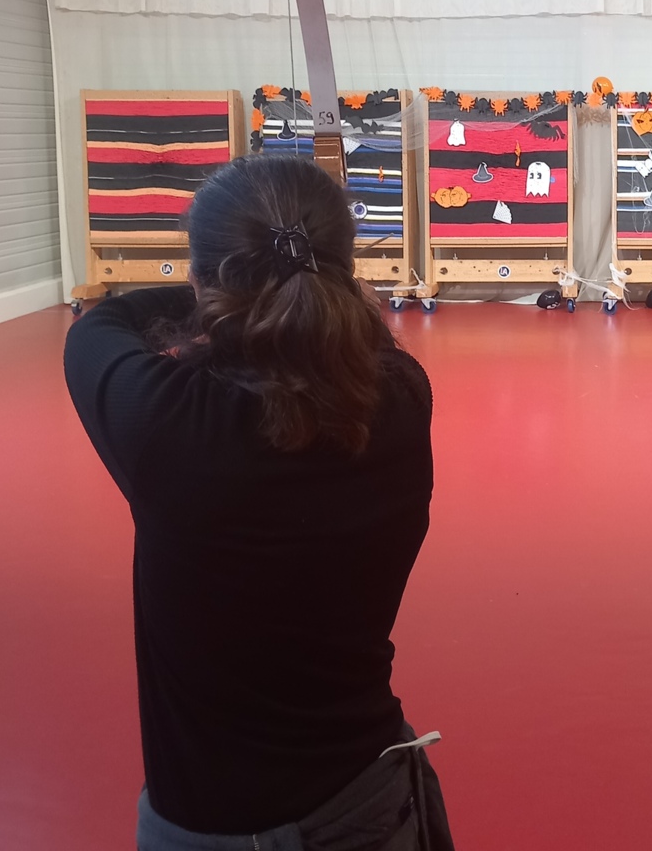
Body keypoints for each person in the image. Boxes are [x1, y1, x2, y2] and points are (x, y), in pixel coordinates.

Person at [64, 154, 453, 851]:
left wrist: (228, 288)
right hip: (372, 797)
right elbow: (347, 337)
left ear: (204, 280)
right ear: (344, 267)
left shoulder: (167, 424)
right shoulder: (402, 396)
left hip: (214, 829)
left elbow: (102, 326)